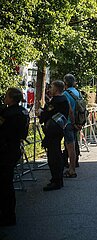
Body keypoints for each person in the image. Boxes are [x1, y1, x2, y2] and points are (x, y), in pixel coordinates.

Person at [0, 88, 29, 226]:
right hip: (15, 148)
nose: (5, 98)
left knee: (5, 184)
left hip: (5, 149)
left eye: (6, 96)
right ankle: (10, 214)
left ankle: (7, 215)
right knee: (8, 182)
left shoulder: (6, 113)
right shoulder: (23, 112)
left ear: (11, 98)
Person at [39, 81, 69, 191]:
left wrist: (40, 113)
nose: (49, 89)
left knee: (53, 156)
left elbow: (46, 115)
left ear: (56, 89)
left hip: (52, 131)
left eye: (51, 87)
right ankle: (57, 179)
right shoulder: (64, 99)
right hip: (59, 129)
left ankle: (56, 180)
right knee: (56, 153)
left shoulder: (55, 101)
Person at [63, 74, 80, 178]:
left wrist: (73, 122)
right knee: (74, 143)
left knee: (70, 146)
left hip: (69, 122)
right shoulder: (77, 92)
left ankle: (72, 170)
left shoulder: (65, 94)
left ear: (65, 83)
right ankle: (74, 164)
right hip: (76, 122)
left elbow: (69, 110)